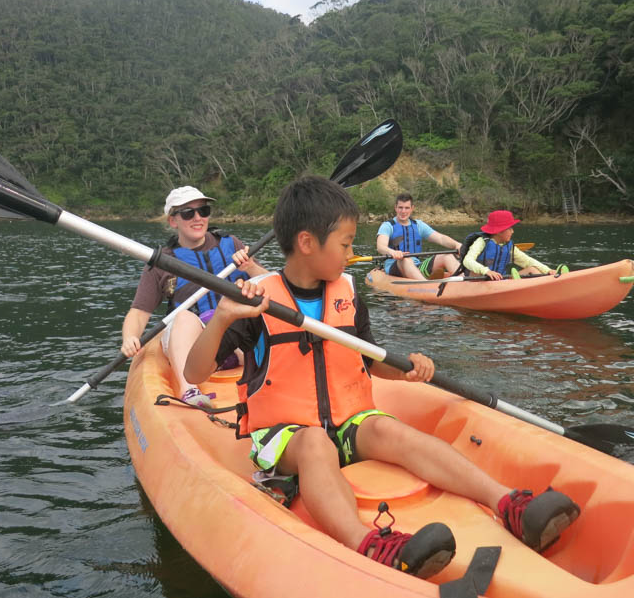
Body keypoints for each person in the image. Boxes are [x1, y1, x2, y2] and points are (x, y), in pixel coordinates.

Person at [184, 176, 580, 579]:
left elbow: (369, 360)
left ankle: (507, 504)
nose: (351, 253)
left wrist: (407, 369)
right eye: (344, 243)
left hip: (346, 421)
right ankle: (367, 543)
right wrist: (223, 318)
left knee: (392, 432)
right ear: (307, 243)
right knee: (316, 442)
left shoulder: (347, 293)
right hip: (287, 437)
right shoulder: (256, 300)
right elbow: (195, 373)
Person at [121, 185, 266, 406]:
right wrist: (130, 337)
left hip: (235, 338)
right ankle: (189, 391)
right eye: (188, 213)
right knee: (184, 317)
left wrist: (251, 268)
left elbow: (272, 285)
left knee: (251, 320)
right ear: (173, 221)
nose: (198, 218)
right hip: (193, 345)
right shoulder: (161, 263)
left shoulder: (231, 244)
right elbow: (139, 312)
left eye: (203, 211)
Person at [458, 210, 566, 280]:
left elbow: (527, 261)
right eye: (509, 228)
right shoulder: (481, 242)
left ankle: (552, 281)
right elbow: (467, 261)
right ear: (499, 231)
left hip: (499, 281)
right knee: (475, 272)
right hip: (478, 281)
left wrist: (548, 270)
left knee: (532, 269)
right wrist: (486, 271)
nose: (512, 231)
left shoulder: (508, 246)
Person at [375, 193, 461, 279]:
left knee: (447, 256)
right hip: (395, 267)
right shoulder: (387, 226)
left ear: (412, 208)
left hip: (417, 266)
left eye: (407, 208)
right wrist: (393, 252)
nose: (403, 211)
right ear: (395, 208)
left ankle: (465, 279)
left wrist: (457, 245)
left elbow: (441, 238)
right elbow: (381, 247)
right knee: (405, 259)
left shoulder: (418, 225)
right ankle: (426, 286)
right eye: (400, 207)